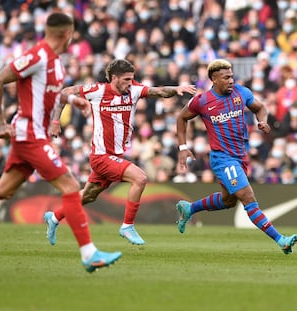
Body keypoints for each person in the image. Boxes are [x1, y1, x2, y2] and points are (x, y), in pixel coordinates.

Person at [0, 13, 121, 273]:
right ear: (67, 33)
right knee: (71, 186)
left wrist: (75, 101)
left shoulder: (57, 63)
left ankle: (89, 253)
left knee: (4, 189)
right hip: (29, 133)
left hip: (33, 134)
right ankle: (89, 253)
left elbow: (51, 96)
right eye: (73, 32)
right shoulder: (37, 56)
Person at [44, 59, 196, 246]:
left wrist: (177, 88)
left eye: (132, 79)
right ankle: (127, 226)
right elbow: (65, 93)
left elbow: (160, 91)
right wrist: (56, 121)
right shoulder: (97, 91)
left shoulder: (134, 91)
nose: (130, 83)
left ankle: (54, 218)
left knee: (89, 195)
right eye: (126, 80)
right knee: (140, 178)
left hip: (115, 157)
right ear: (114, 78)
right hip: (101, 156)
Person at [175, 59, 297, 254]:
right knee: (248, 198)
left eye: (232, 76)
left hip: (241, 157)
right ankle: (281, 240)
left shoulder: (242, 92)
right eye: (226, 77)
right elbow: (181, 117)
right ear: (214, 79)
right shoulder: (202, 101)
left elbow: (261, 108)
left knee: (228, 201)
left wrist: (262, 121)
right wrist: (183, 146)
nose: (231, 80)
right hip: (222, 158)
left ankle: (189, 209)